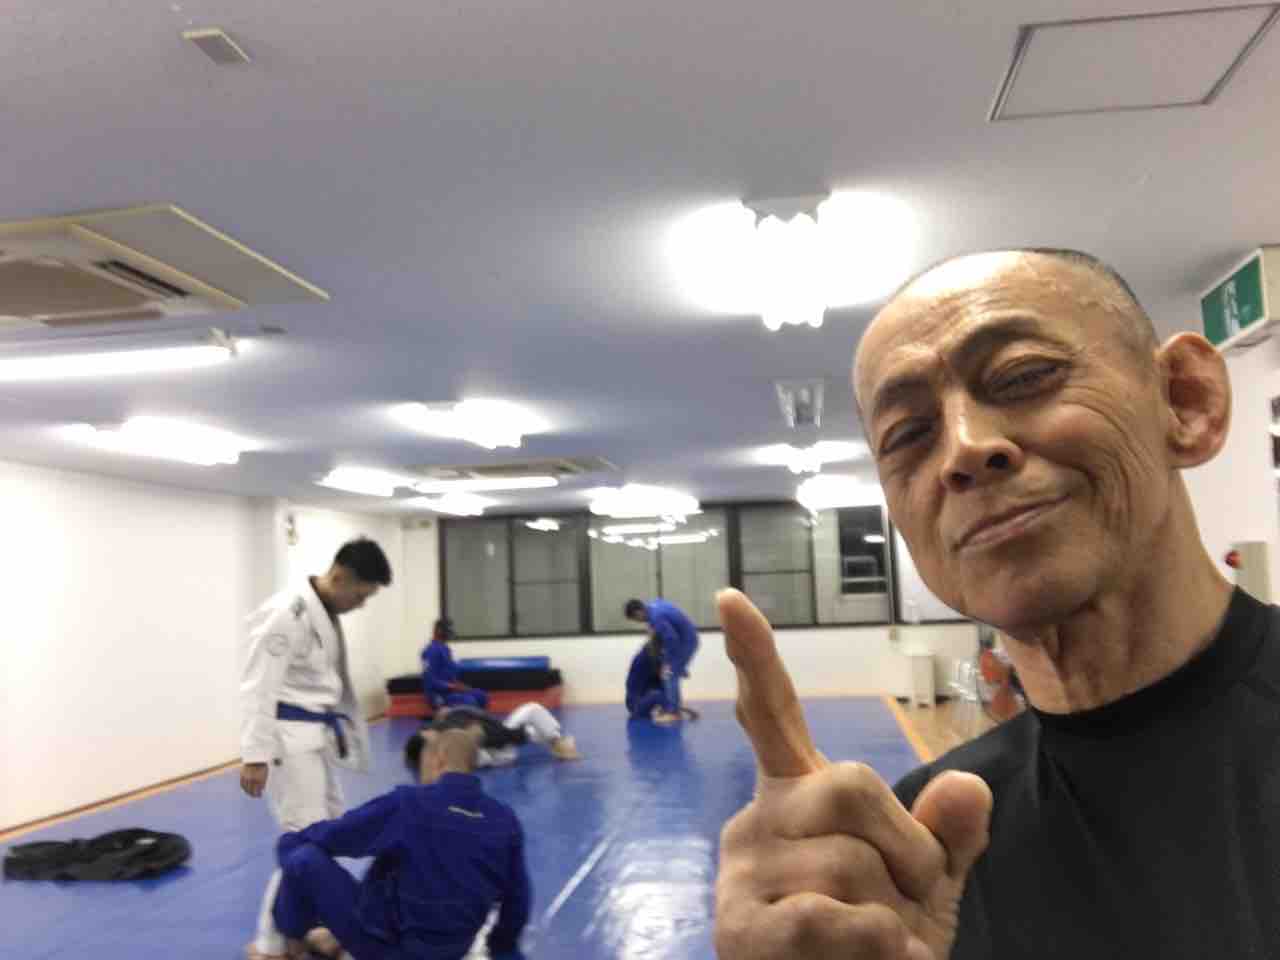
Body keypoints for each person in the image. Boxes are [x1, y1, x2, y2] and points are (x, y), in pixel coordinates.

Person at [713, 249, 1280, 959]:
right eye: (908, 434)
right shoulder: (923, 850)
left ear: (1185, 402)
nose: (964, 449)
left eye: (1024, 376)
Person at [240, 537, 393, 960]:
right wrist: (254, 754)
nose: (360, 605)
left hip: (313, 739)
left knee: (325, 836)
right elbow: (258, 686)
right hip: (288, 743)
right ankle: (270, 942)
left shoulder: (322, 613)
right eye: (360, 595)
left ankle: (305, 925)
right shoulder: (286, 614)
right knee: (302, 843)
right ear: (340, 576)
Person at [272, 729, 531, 960]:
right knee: (401, 865)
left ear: (437, 759)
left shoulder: (409, 803)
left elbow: (336, 835)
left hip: (389, 950)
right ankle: (331, 938)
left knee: (302, 857)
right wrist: (502, 947)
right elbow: (518, 899)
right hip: (453, 949)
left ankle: (290, 944)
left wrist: (290, 842)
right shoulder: (505, 820)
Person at [403, 701, 582, 769]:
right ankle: (559, 744)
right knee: (532, 710)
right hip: (500, 751)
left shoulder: (439, 732)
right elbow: (495, 736)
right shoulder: (452, 743)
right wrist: (517, 735)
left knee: (534, 729)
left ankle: (555, 740)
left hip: (494, 744)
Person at [624, 598, 700, 722]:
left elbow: (671, 639)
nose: (640, 622)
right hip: (687, 638)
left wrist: (669, 663)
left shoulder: (655, 618)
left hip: (684, 642)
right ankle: (672, 707)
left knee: (668, 674)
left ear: (638, 612)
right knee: (670, 673)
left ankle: (673, 713)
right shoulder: (654, 605)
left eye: (636, 619)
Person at [421, 617, 490, 710]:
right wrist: (453, 687)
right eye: (448, 631)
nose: (449, 635)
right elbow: (430, 681)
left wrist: (460, 686)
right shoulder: (430, 651)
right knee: (470, 701)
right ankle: (462, 719)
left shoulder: (445, 649)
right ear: (439, 631)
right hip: (438, 695)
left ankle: (478, 718)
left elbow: (449, 675)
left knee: (481, 696)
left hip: (451, 691)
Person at [624, 635, 669, 722]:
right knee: (659, 692)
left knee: (663, 689)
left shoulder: (653, 656)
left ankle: (669, 709)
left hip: (639, 701)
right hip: (636, 704)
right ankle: (669, 710)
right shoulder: (646, 658)